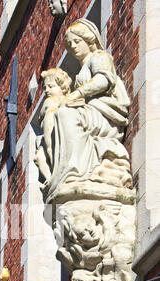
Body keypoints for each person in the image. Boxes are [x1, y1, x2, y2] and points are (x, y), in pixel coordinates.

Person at [43, 19, 132, 204]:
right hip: (93, 112)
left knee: (66, 115)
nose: (73, 47)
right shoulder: (82, 69)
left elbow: (104, 81)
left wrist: (77, 94)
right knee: (59, 115)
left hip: (106, 114)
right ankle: (68, 168)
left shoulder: (99, 57)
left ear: (89, 40)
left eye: (77, 42)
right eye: (69, 44)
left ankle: (76, 169)